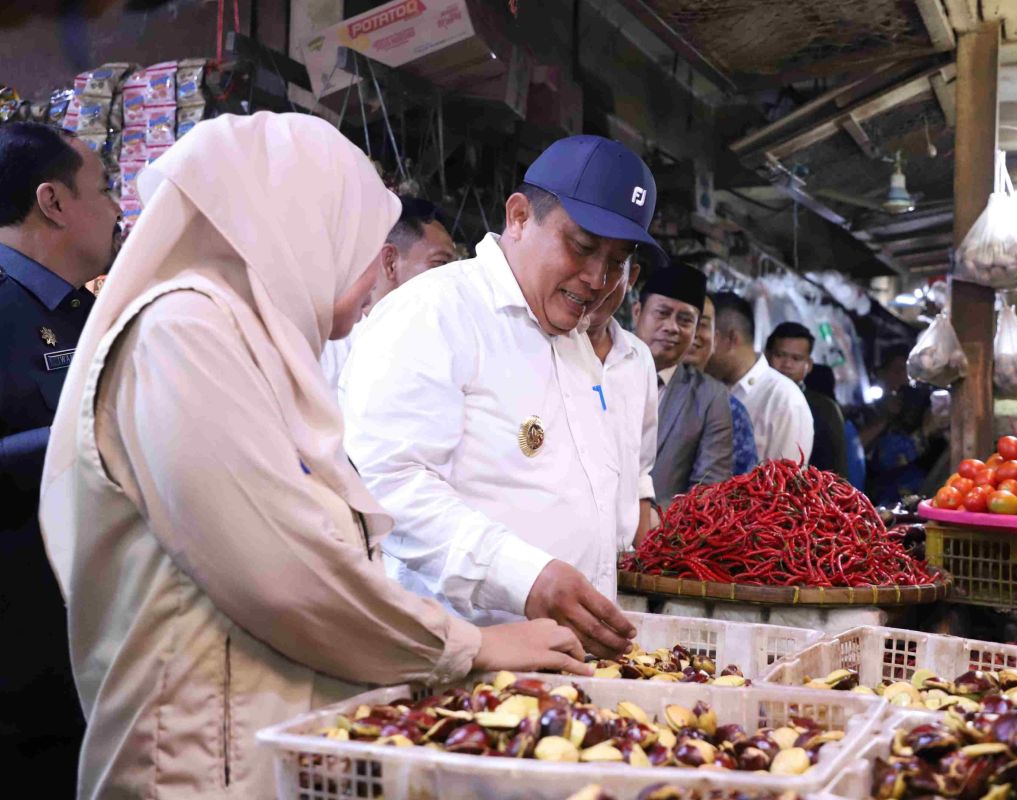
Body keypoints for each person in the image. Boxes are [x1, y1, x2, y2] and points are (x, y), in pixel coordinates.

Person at [38, 113, 588, 799]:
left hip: (262, 747)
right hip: (198, 763)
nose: (374, 274)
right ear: (299, 228)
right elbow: (280, 569)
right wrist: (466, 645)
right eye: (361, 244)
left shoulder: (257, 344)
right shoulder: (183, 335)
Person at [343, 134, 658, 657]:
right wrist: (525, 576)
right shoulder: (435, 312)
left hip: (571, 665)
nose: (598, 278)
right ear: (518, 217)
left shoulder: (577, 345)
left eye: (617, 260)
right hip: (461, 668)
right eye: (581, 247)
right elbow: (389, 485)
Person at [0, 121, 119, 794]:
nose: (116, 207)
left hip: (85, 661)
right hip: (18, 683)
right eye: (104, 189)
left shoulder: (84, 313)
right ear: (53, 202)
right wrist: (89, 435)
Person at [319, 196, 456, 389]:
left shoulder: (444, 350)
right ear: (390, 262)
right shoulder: (325, 350)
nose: (454, 277)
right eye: (441, 263)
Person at [633, 263, 734, 504]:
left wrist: (652, 525)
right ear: (638, 312)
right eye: (662, 313)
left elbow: (708, 492)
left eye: (685, 320)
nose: (672, 327)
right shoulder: (601, 370)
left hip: (659, 536)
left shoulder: (710, 397)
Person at [585, 258, 657, 549]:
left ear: (631, 278)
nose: (596, 281)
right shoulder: (548, 345)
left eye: (613, 267)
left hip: (619, 560)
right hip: (552, 562)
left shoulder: (639, 357)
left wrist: (639, 558)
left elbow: (640, 470)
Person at [706, 292, 814, 465]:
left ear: (732, 339)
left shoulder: (784, 400)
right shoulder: (706, 388)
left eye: (706, 337)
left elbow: (784, 485)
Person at [684, 294, 758, 475]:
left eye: (701, 324)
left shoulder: (730, 409)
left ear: (716, 338)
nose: (692, 333)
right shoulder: (628, 387)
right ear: (637, 313)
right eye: (685, 321)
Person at [766, 322, 848, 477]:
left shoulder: (825, 408)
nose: (787, 365)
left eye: (796, 358)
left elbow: (837, 469)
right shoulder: (754, 398)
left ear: (808, 365)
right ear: (767, 356)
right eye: (780, 355)